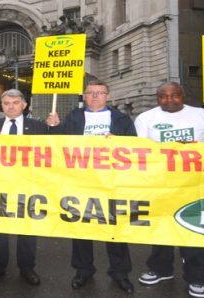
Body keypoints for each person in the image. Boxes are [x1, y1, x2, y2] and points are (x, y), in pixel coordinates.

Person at [134, 82, 204, 298]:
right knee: (162, 231)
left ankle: (196, 278)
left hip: (196, 184)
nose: (169, 99)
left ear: (183, 95)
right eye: (163, 96)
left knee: (194, 232)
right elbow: (138, 152)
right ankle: (160, 270)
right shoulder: (145, 119)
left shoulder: (201, 115)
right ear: (157, 98)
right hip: (161, 185)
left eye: (174, 95)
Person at [46, 80, 136, 294]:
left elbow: (135, 146)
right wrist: (55, 128)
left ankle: (120, 273)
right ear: (84, 97)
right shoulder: (73, 117)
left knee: (114, 229)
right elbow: (60, 146)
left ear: (108, 96)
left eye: (100, 93)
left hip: (112, 182)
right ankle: (83, 271)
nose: (95, 96)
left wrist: (120, 143)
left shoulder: (121, 119)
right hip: (81, 181)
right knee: (82, 228)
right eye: (90, 93)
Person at [0, 89, 48, 286]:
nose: (11, 106)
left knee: (27, 228)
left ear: (24, 105)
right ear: (1, 105)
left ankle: (27, 268)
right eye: (7, 103)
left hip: (28, 184)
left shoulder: (39, 127)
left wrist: (56, 126)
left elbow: (51, 153)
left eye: (15, 102)